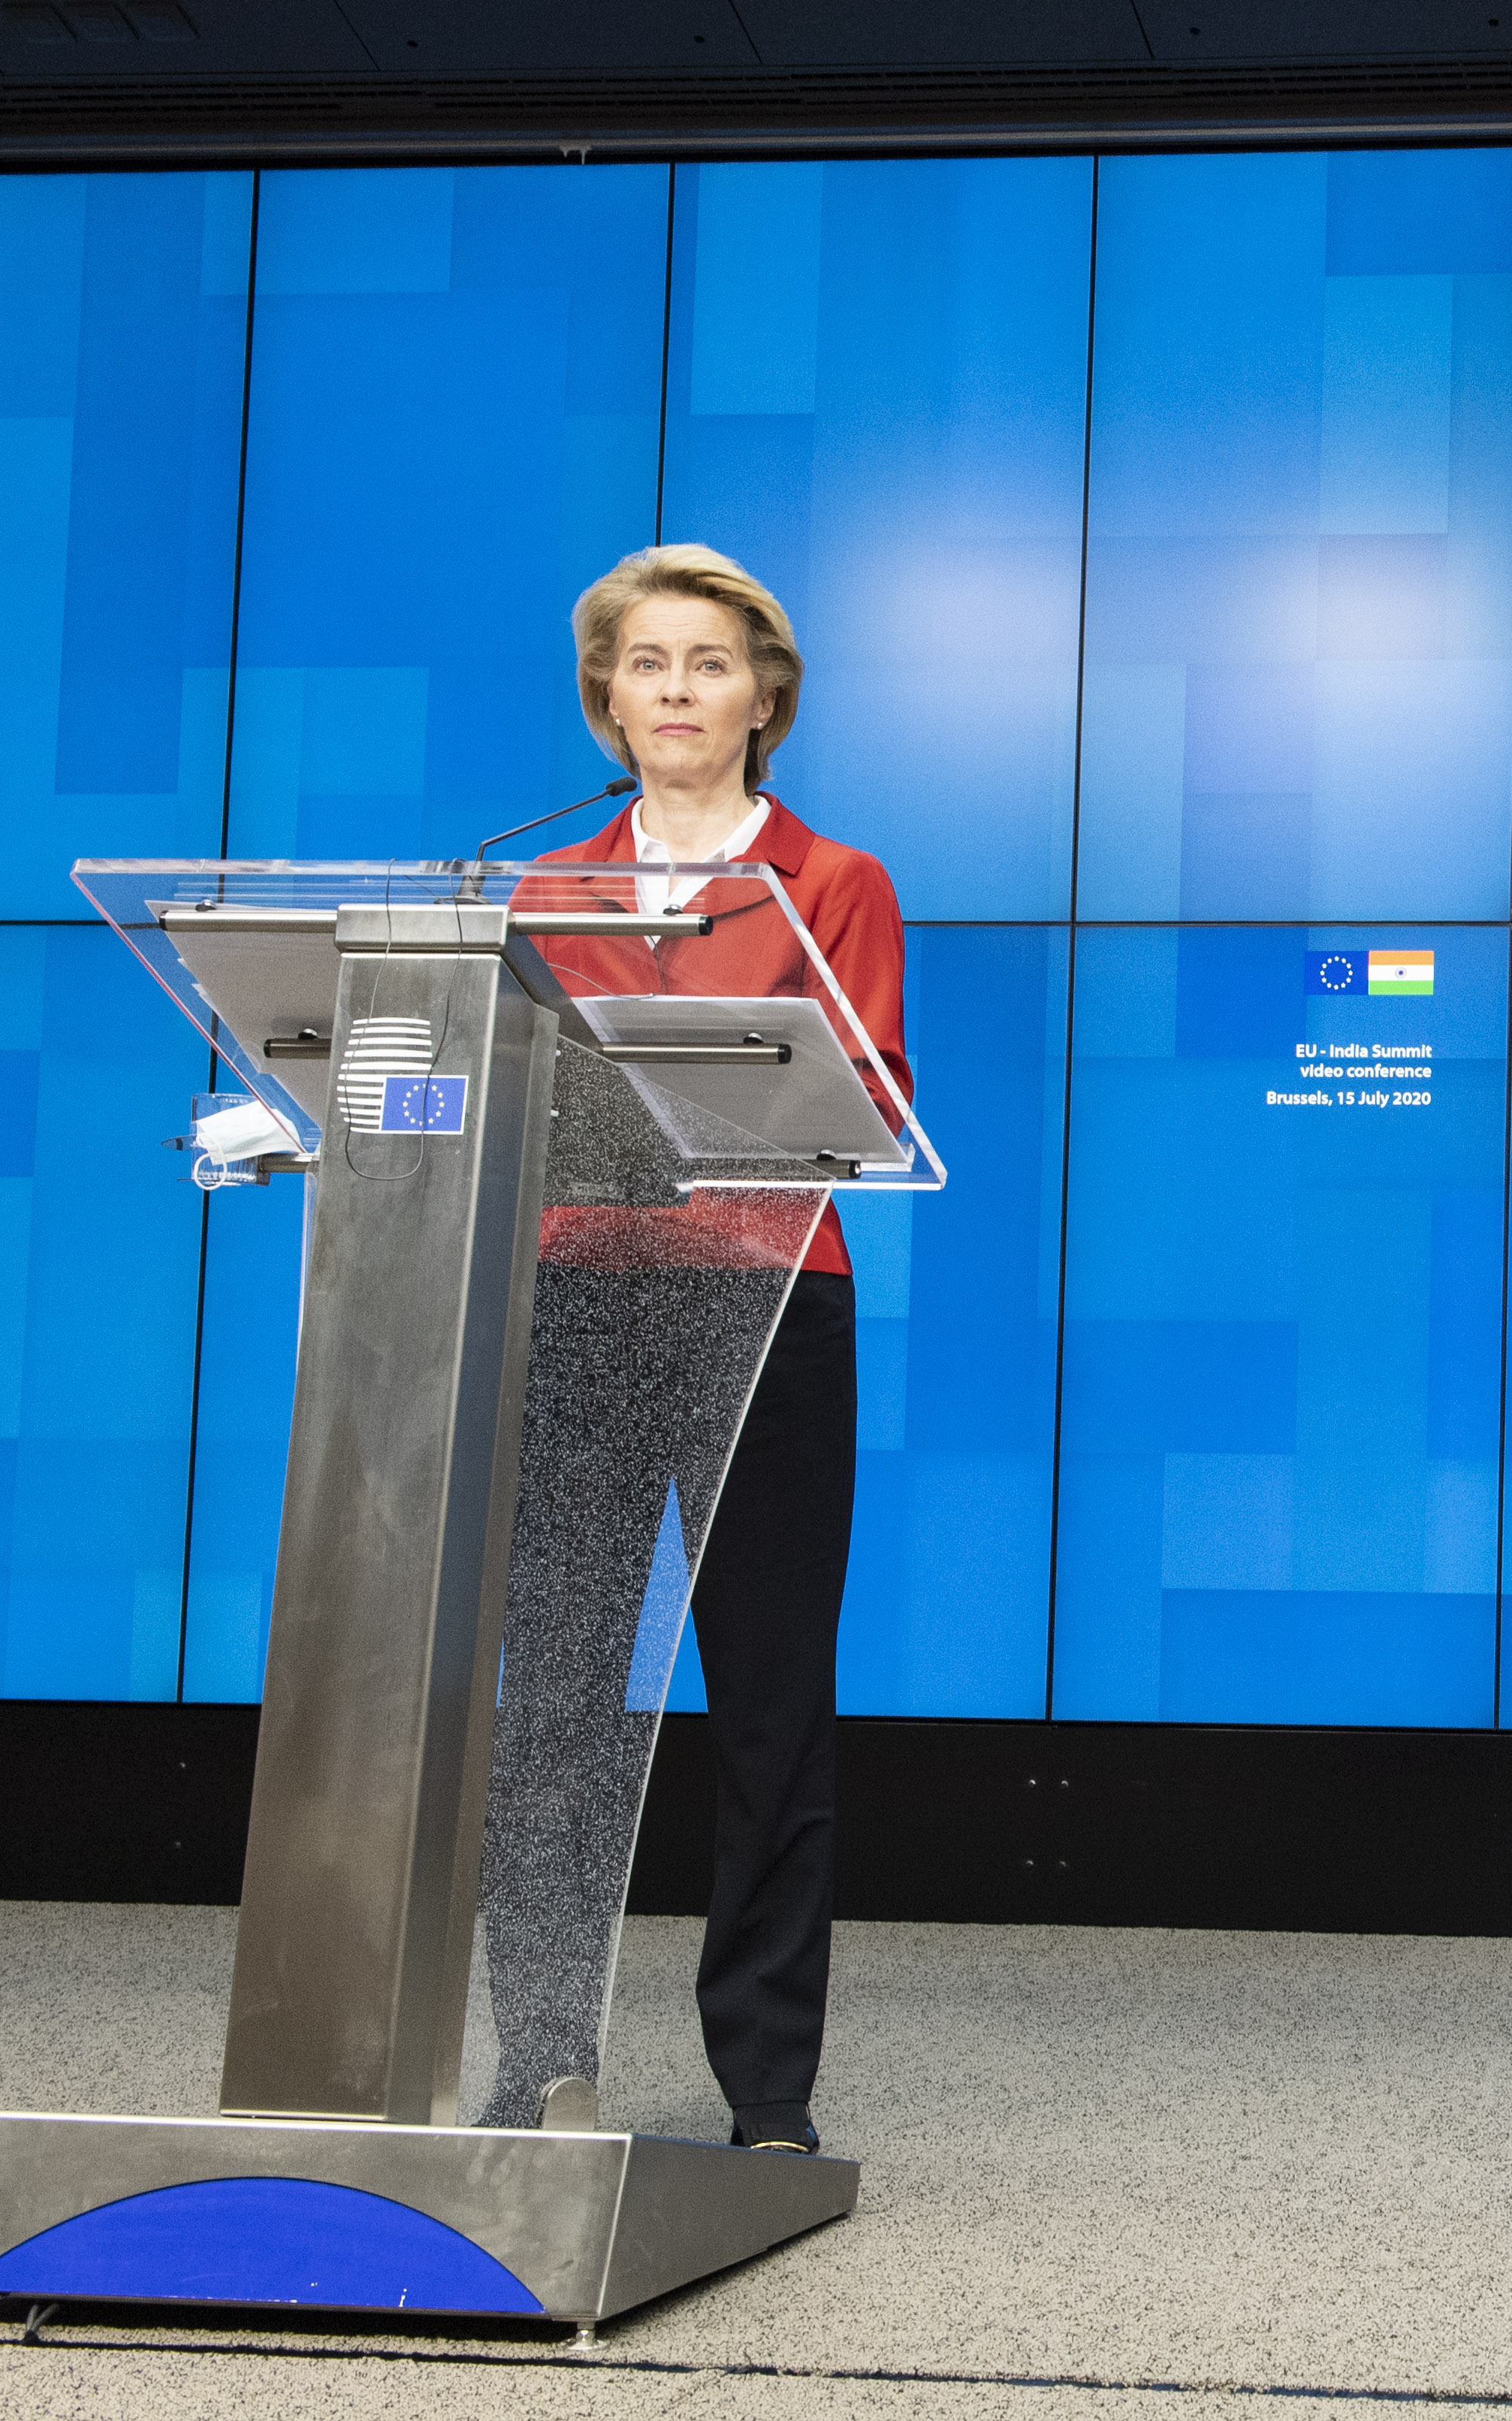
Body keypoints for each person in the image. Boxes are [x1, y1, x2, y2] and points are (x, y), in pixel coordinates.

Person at [477, 544, 910, 2155]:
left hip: (765, 1308)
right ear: (608, 700)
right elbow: (514, 1099)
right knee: (559, 1701)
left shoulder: (836, 882)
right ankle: (535, 2059)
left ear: (764, 695)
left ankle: (767, 2094)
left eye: (707, 664)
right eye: (644, 665)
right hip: (581, 1301)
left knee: (771, 1708)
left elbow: (864, 1091)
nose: (674, 691)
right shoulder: (534, 889)